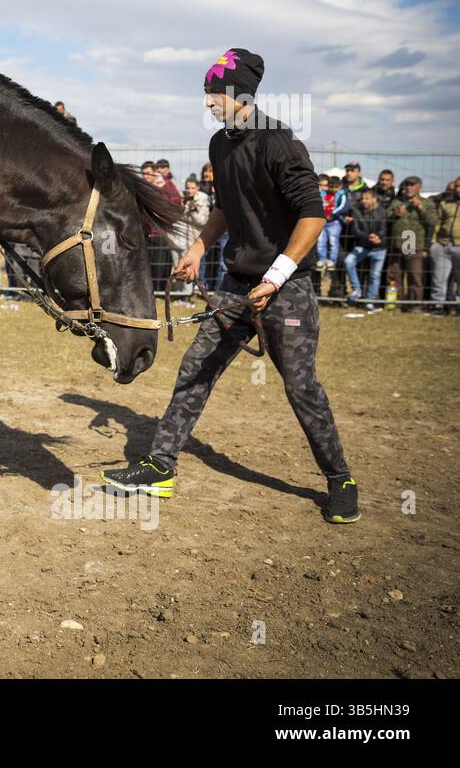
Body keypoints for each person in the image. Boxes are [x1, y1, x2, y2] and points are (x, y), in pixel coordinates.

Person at [102, 48, 357, 524]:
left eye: (214, 93)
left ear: (239, 94)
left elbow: (313, 215)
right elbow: (225, 206)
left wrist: (277, 275)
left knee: (301, 388)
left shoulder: (280, 143)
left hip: (287, 287)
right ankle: (161, 465)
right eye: (206, 94)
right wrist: (199, 247)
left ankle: (340, 479)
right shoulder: (221, 144)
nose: (208, 103)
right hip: (235, 284)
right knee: (194, 371)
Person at [385, 176, 436, 304]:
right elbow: (385, 217)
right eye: (407, 185)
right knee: (394, 275)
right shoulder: (396, 202)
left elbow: (433, 221)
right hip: (397, 243)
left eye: (412, 185)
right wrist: (394, 214)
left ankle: (413, 304)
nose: (409, 187)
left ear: (419, 187)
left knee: (414, 276)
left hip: (415, 244)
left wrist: (421, 209)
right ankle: (395, 303)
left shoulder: (427, 203)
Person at [343, 189, 388, 310]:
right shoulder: (356, 211)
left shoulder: (382, 212)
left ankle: (369, 302)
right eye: (362, 198)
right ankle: (357, 289)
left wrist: (379, 237)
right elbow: (355, 230)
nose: (364, 201)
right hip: (363, 246)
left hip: (380, 248)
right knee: (348, 261)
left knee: (375, 275)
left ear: (374, 199)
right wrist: (368, 237)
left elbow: (384, 228)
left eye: (367, 198)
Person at [430, 177, 460, 311]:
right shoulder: (445, 203)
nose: (457, 189)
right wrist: (433, 243)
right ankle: (438, 305)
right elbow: (438, 223)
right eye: (456, 186)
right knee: (439, 277)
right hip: (443, 244)